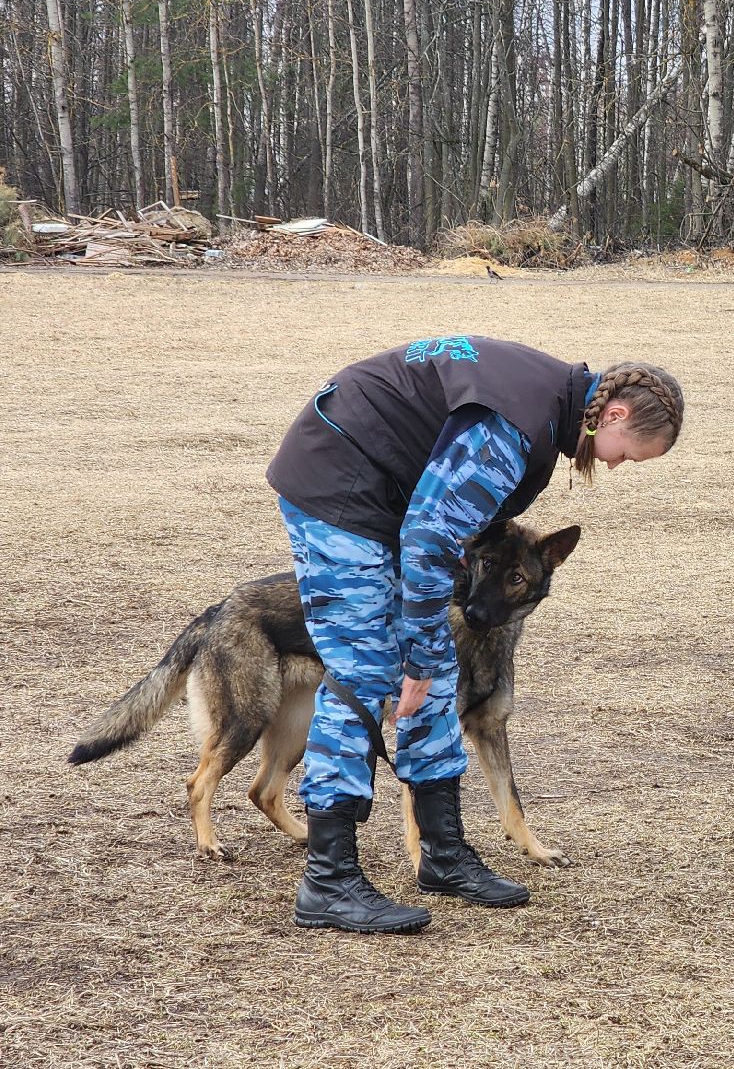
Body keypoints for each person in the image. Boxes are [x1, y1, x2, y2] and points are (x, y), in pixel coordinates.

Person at [267, 336, 682, 932]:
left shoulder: (548, 410)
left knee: (438, 668)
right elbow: (430, 537)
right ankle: (328, 880)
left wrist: (427, 658)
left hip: (387, 496)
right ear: (614, 415)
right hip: (339, 490)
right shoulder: (514, 425)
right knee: (364, 673)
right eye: (629, 455)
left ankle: (443, 853)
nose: (617, 465)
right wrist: (417, 658)